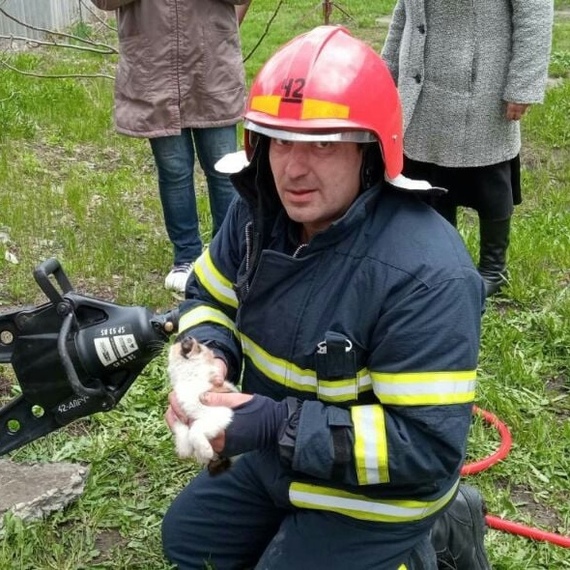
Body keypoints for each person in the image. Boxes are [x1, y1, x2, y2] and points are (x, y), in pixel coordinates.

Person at [163, 25, 490, 569]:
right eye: (281, 141)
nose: (293, 169)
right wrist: (205, 356)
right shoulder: (255, 215)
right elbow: (206, 297)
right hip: (281, 462)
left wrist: (274, 424)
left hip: (380, 495)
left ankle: (439, 532)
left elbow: (423, 447)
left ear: (369, 151)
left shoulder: (427, 272)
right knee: (190, 543)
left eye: (323, 143)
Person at [381, 0, 553, 297]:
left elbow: (534, 11)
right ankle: (445, 263)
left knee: (489, 177)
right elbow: (406, 10)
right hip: (422, 87)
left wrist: (523, 85)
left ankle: (493, 269)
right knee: (431, 175)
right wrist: (387, 69)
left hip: (483, 84)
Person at [91, 0, 251, 292]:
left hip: (211, 67)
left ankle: (228, 255)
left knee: (223, 170)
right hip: (155, 71)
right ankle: (186, 256)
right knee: (174, 171)